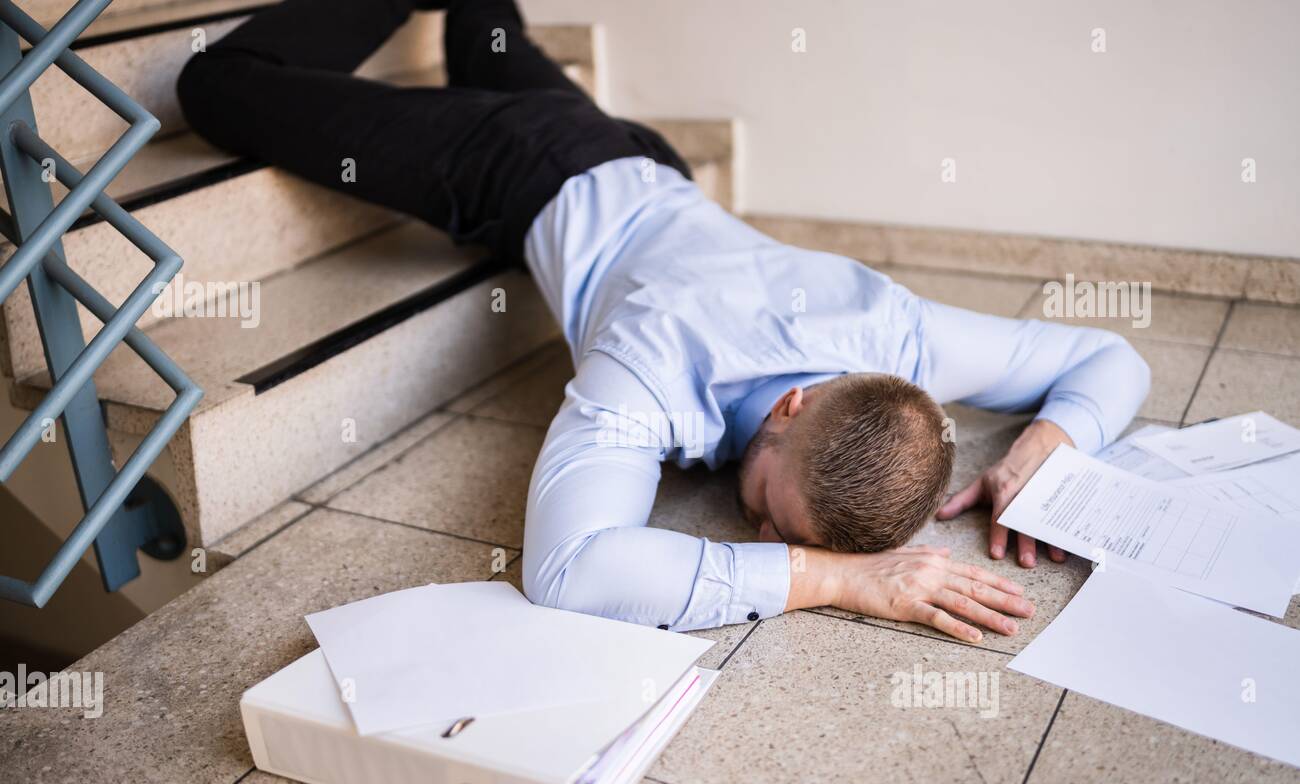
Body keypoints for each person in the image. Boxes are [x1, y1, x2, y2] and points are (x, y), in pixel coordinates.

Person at [178, 0, 1150, 643]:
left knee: (484, 37)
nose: (753, 521)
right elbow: (568, 571)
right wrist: (832, 578)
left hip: (644, 167)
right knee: (218, 86)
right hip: (516, 168)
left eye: (770, 525)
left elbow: (1107, 356)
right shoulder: (652, 365)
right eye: (771, 504)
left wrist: (1044, 447)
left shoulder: (900, 338)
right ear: (791, 406)